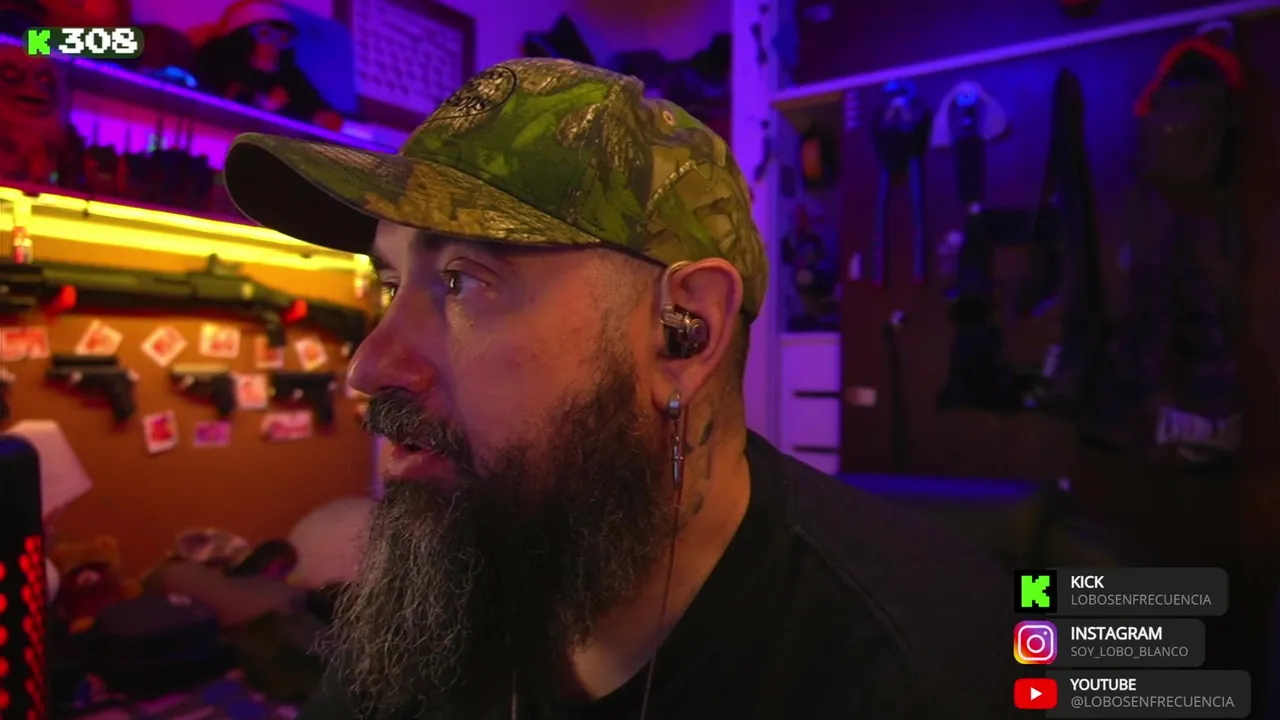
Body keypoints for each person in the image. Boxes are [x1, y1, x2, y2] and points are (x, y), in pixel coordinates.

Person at [222, 58, 1017, 720]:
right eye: (391, 284)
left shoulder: (919, 672)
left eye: (462, 281)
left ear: (684, 332)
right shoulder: (435, 592)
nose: (369, 366)